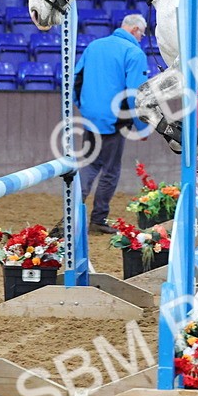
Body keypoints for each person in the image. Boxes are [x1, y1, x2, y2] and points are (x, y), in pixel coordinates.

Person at [73, 13, 150, 234]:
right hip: (116, 119)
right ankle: (98, 219)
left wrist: (84, 106)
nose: (141, 39)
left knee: (90, 164)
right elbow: (136, 94)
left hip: (90, 116)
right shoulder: (134, 53)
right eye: (142, 35)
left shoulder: (94, 46)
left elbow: (76, 78)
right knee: (109, 170)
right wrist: (142, 126)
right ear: (135, 30)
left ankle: (71, 214)